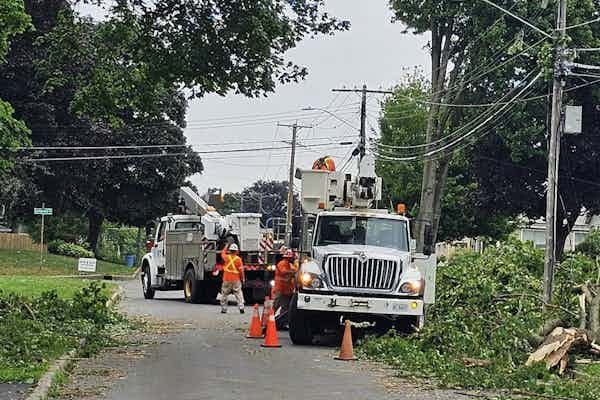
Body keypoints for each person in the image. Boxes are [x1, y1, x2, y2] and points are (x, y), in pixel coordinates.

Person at [273, 249, 298, 329]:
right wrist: (293, 272)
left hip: (287, 291)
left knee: (286, 308)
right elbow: (284, 272)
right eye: (291, 257)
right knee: (275, 306)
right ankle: (267, 321)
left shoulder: (290, 265)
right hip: (280, 289)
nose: (292, 259)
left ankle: (281, 323)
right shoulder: (282, 264)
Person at [219, 243, 245, 314]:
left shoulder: (226, 257)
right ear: (237, 251)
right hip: (236, 279)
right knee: (238, 293)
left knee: (224, 293)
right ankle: (241, 307)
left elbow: (222, 253)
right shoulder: (239, 260)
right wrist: (243, 279)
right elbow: (241, 271)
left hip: (226, 279)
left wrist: (226, 246)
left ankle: (224, 309)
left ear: (230, 251)